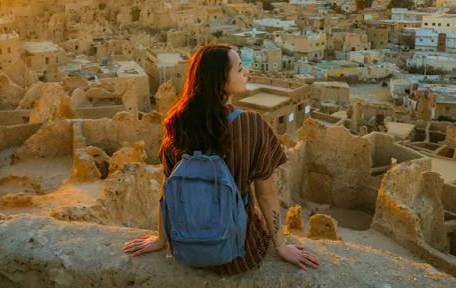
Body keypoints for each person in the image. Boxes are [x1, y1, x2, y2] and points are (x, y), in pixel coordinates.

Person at [122, 44, 319, 273]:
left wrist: (160, 239)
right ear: (221, 81)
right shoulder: (251, 125)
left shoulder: (176, 125)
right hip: (241, 252)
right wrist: (281, 245)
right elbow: (266, 194)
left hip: (187, 248)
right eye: (239, 69)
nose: (247, 73)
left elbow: (169, 189)